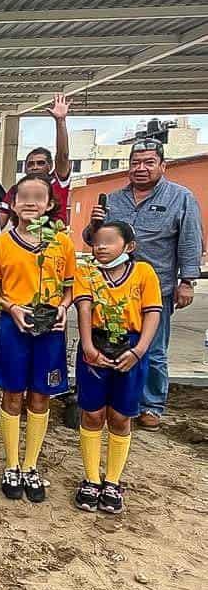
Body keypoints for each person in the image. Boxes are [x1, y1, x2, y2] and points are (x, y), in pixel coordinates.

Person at [86, 139, 203, 431]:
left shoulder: (181, 197)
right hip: (111, 289)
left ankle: (151, 404)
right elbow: (94, 241)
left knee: (153, 348)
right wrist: (93, 224)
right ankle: (124, 400)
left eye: (149, 162)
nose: (141, 168)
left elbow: (190, 240)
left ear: (163, 166)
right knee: (114, 341)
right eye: (135, 163)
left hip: (156, 287)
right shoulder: (113, 199)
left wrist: (187, 281)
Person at [0, 175, 76, 503]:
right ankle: (11, 464)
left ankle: (31, 464)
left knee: (40, 397)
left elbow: (69, 287)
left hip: (50, 330)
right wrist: (12, 307)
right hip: (14, 327)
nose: (31, 203)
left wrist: (63, 307)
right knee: (12, 395)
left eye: (38, 197)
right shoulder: (1, 244)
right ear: (14, 203)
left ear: (50, 204)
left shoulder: (61, 242)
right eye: (23, 197)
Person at [73, 221, 161, 514]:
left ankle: (112, 480)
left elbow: (151, 313)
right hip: (95, 344)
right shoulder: (87, 273)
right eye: (97, 241)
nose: (101, 246)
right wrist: (87, 347)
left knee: (121, 416)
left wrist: (138, 351)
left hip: (131, 346)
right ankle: (91, 478)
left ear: (129, 246)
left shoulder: (144, 273)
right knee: (93, 412)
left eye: (109, 241)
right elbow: (85, 308)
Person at [0, 93, 72, 228]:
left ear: (50, 166)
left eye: (40, 163)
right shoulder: (15, 190)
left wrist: (60, 121)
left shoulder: (59, 182)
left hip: (55, 242)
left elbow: (63, 155)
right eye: (30, 164)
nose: (35, 167)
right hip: (22, 242)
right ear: (25, 168)